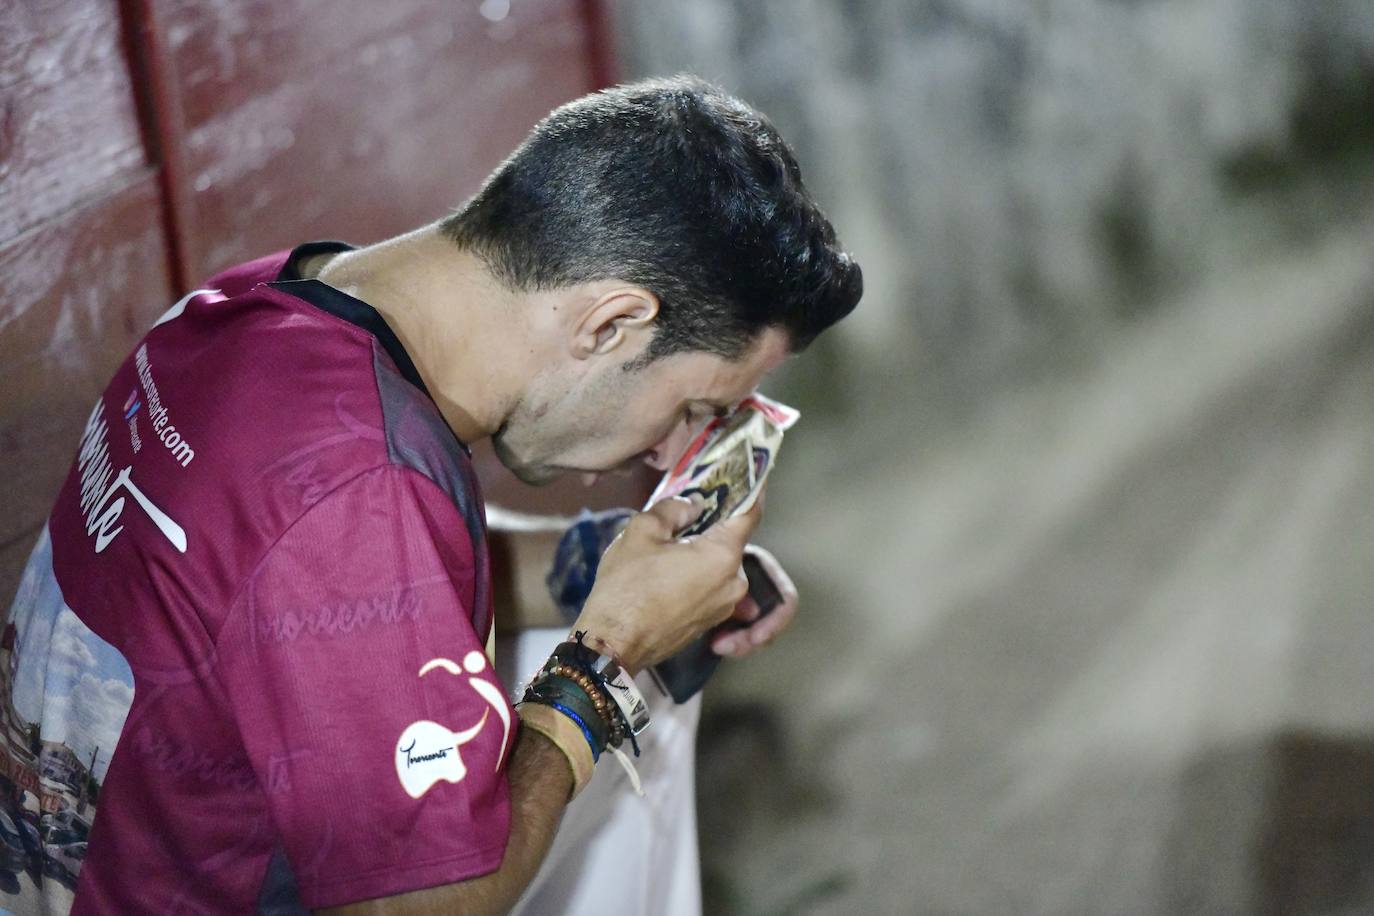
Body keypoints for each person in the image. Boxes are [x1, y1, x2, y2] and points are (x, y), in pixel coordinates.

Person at [0, 76, 861, 913]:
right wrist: (608, 654)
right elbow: (425, 907)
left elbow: (360, 594)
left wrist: (612, 568)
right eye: (692, 408)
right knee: (616, 732)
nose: (671, 447)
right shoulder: (357, 488)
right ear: (609, 323)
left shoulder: (264, 300)